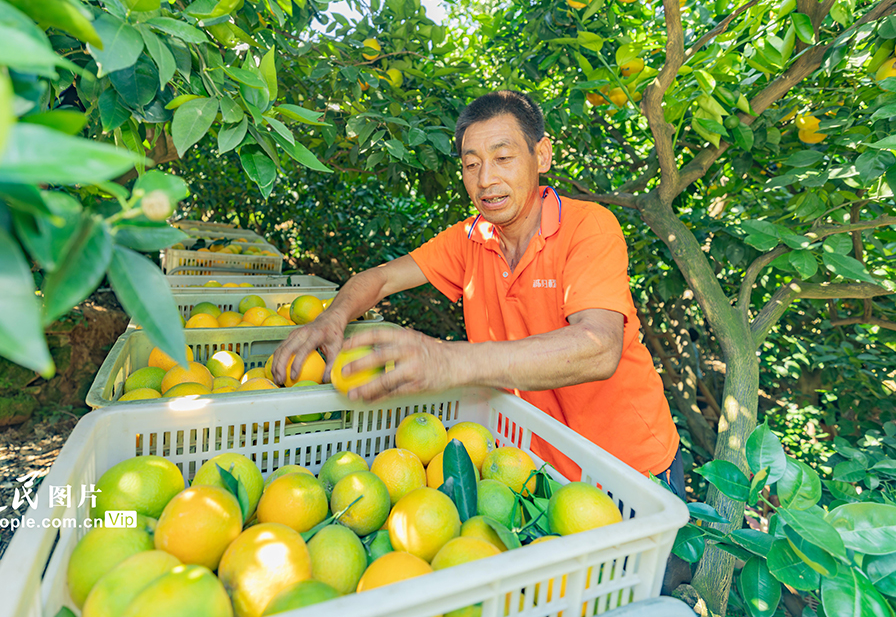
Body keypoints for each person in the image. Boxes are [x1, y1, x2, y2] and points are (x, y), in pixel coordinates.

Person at [271, 90, 682, 495]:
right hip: (533, 469)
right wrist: (333, 316)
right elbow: (378, 279)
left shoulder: (588, 227)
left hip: (628, 471)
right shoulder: (472, 238)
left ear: (542, 155)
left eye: (503, 158)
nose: (486, 180)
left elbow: (599, 347)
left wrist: (450, 360)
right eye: (472, 165)